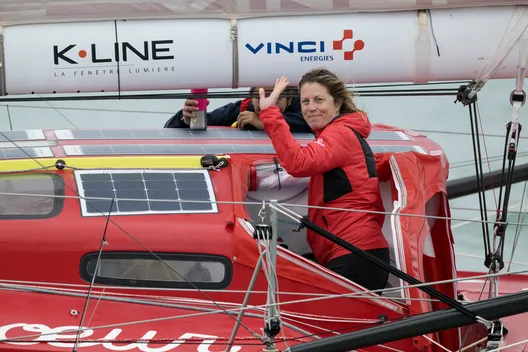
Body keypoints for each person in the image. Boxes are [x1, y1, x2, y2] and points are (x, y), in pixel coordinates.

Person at [257, 68, 390, 292]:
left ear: (337, 103)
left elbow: (299, 163)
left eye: (319, 100)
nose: (311, 108)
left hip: (354, 254)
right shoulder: (336, 134)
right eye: (305, 101)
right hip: (349, 252)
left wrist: (270, 114)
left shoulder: (339, 134)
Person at [164, 86, 311, 133]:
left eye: (275, 97)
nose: (267, 103)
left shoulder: (305, 107)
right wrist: (186, 118)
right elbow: (170, 129)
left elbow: (314, 125)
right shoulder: (241, 109)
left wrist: (264, 122)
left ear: (290, 99)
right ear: (252, 99)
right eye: (260, 97)